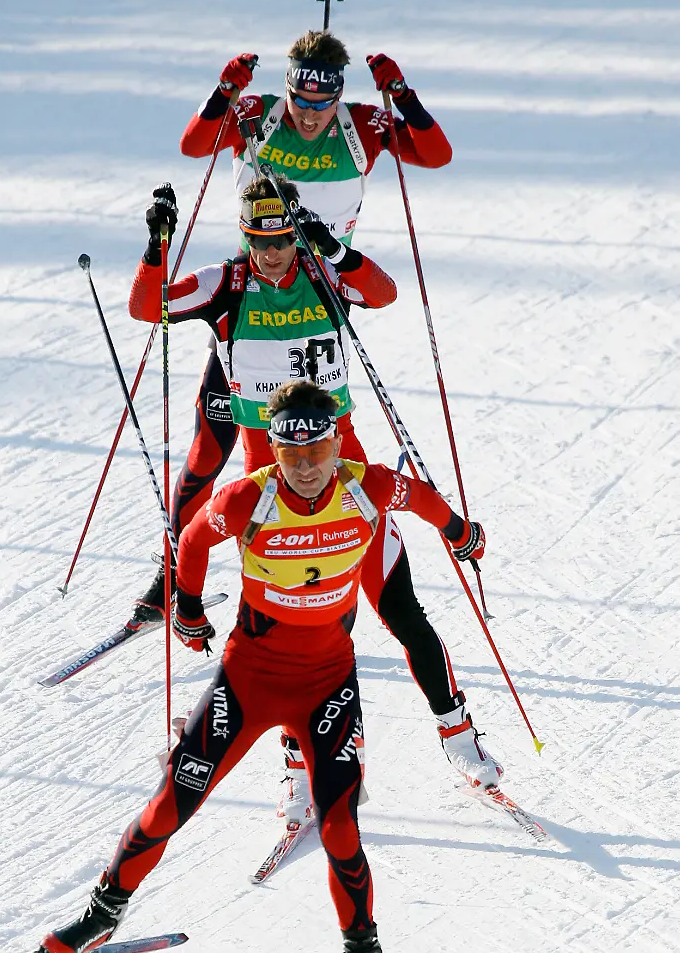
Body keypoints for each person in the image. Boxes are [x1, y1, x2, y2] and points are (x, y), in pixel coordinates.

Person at [39, 381, 486, 953]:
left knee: (339, 828)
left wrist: (462, 531)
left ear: (337, 441)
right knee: (169, 806)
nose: (305, 468)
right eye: (290, 454)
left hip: (327, 683)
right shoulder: (252, 497)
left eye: (318, 450)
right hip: (247, 679)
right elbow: (192, 540)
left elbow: (425, 501)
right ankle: (100, 917)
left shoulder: (371, 485)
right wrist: (188, 613)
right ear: (273, 450)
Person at [129, 177, 504, 824]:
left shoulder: (324, 274)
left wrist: (338, 251)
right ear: (245, 236)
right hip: (271, 493)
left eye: (282, 241)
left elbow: (383, 293)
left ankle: (459, 736)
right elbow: (147, 307)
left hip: (349, 482)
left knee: (403, 612)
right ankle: (300, 770)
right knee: (301, 636)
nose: (273, 254)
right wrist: (158, 245)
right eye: (261, 242)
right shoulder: (228, 286)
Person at [147, 29, 452, 631]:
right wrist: (222, 92)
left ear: (339, 96)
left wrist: (401, 93)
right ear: (285, 87)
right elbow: (192, 147)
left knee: (317, 443)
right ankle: (170, 574)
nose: (311, 116)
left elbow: (435, 154)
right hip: (249, 295)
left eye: (323, 104)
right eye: (300, 101)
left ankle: (334, 587)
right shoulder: (257, 117)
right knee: (211, 448)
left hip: (324, 288)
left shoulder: (360, 124)